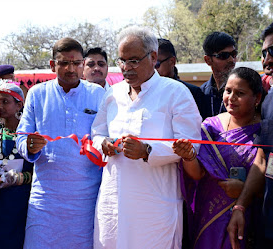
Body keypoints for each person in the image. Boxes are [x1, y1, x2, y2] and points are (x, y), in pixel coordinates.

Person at [91, 26, 202, 249]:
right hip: (113, 201)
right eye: (121, 61)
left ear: (153, 57)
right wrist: (103, 143)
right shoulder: (113, 93)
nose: (125, 68)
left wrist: (148, 151)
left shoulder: (175, 92)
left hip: (154, 206)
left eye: (133, 60)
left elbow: (191, 145)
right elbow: (97, 131)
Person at [16, 37, 105, 249]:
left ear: (83, 63)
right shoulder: (37, 94)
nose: (70, 68)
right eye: (64, 63)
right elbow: (21, 135)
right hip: (45, 200)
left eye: (75, 63)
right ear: (52, 65)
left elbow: (106, 136)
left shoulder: (98, 94)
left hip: (85, 198)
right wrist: (29, 145)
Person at [172, 67, 264, 249]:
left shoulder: (265, 131)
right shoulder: (210, 127)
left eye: (240, 93)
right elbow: (197, 174)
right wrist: (188, 156)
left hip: (247, 215)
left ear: (257, 98)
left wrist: (244, 191)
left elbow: (265, 173)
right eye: (228, 91)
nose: (231, 97)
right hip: (208, 217)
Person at [227, 22, 273, 249]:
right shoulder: (269, 100)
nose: (267, 60)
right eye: (264, 53)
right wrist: (241, 206)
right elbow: (264, 158)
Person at [0, 82, 33, 249]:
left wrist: (18, 178)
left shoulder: (30, 134)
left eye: (5, 101)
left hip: (21, 204)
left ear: (19, 104)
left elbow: (41, 172)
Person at [156, 38, 208, 120]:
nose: (153, 69)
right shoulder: (144, 92)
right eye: (149, 64)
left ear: (172, 61)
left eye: (156, 64)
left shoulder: (193, 93)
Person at [201, 32, 237, 118]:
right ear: (208, 60)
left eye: (233, 54)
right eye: (224, 55)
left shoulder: (244, 89)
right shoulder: (201, 93)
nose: (231, 60)